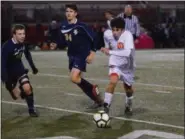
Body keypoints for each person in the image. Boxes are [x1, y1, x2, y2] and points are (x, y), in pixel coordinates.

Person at [60, 4, 103, 108]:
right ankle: (97, 100)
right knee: (78, 80)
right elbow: (64, 41)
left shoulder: (81, 26)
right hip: (71, 56)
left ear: (75, 13)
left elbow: (95, 38)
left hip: (81, 55)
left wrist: (92, 53)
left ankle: (93, 88)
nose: (68, 13)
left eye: (71, 11)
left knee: (74, 78)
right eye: (67, 11)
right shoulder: (63, 26)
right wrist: (56, 44)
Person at [1, 24, 39, 117]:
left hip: (19, 70)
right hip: (9, 74)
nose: (22, 36)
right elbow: (2, 64)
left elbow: (27, 55)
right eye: (20, 34)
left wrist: (33, 67)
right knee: (16, 96)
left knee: (27, 88)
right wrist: (5, 79)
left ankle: (31, 110)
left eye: (23, 33)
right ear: (14, 35)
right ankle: (21, 91)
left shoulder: (23, 43)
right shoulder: (6, 47)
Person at [101, 18, 135, 115]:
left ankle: (129, 104)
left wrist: (110, 51)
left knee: (128, 89)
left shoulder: (127, 35)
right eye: (113, 30)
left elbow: (127, 53)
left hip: (127, 66)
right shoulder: (107, 34)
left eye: (117, 30)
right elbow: (108, 47)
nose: (114, 32)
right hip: (115, 63)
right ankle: (106, 107)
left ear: (122, 29)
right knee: (113, 81)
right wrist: (106, 49)